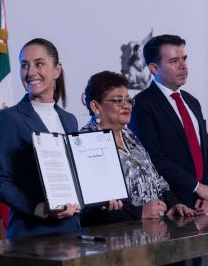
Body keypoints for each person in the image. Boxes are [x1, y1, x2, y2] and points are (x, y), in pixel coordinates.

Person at [0, 38, 121, 239]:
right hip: (31, 236)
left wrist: (100, 197)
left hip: (71, 231)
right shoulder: (9, 119)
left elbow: (74, 180)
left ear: (57, 70)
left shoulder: (69, 120)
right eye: (24, 65)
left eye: (39, 64)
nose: (30, 72)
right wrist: (39, 208)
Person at [80, 71, 194, 226]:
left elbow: (156, 179)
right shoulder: (86, 142)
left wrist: (174, 204)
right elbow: (91, 209)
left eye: (128, 100)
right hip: (112, 240)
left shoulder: (129, 135)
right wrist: (140, 212)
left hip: (150, 236)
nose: (126, 106)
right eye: (118, 101)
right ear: (96, 106)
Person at [128, 35, 208, 213]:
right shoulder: (142, 104)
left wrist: (207, 189)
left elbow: (206, 148)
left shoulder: (192, 102)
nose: (183, 66)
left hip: (199, 201)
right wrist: (196, 187)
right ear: (154, 68)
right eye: (174, 61)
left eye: (184, 59)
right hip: (169, 206)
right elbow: (152, 157)